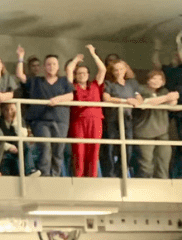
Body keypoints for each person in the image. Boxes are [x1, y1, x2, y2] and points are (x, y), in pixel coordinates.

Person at [16, 48, 74, 177]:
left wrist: (58, 99)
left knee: (58, 150)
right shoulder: (36, 81)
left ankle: (55, 175)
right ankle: (45, 175)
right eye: (48, 64)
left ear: (58, 66)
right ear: (44, 67)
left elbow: (71, 96)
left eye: (54, 64)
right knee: (45, 147)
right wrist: (21, 57)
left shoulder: (64, 81)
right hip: (40, 120)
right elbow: (20, 75)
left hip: (61, 120)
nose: (51, 66)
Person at [68, 46, 107, 177]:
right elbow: (68, 70)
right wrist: (75, 61)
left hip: (96, 121)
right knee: (79, 151)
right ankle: (79, 177)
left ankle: (92, 177)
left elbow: (102, 69)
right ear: (76, 75)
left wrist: (93, 54)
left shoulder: (95, 85)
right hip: (78, 121)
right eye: (79, 73)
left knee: (94, 150)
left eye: (85, 73)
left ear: (88, 75)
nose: (82, 75)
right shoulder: (73, 86)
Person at [100, 59, 142, 178]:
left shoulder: (132, 83)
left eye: (121, 69)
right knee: (110, 148)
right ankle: (110, 174)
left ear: (126, 70)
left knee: (127, 148)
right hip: (112, 119)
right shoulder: (109, 83)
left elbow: (139, 98)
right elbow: (106, 98)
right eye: (116, 70)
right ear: (112, 72)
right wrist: (125, 101)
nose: (119, 72)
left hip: (127, 119)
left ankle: (121, 172)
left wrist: (136, 101)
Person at [134, 70, 179, 179]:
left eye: (160, 79)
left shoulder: (164, 91)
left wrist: (173, 97)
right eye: (154, 78)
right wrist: (166, 98)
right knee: (146, 164)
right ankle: (144, 187)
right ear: (148, 79)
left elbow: (173, 102)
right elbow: (144, 103)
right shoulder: (141, 89)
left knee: (164, 161)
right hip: (144, 132)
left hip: (162, 132)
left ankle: (163, 187)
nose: (156, 81)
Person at [0, 102, 39, 176]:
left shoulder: (19, 120)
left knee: (25, 146)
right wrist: (9, 147)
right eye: (6, 109)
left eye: (12, 109)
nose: (9, 112)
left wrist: (15, 122)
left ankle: (30, 170)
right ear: (2, 110)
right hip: (4, 151)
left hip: (17, 150)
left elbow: (23, 136)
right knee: (6, 160)